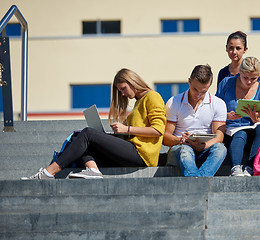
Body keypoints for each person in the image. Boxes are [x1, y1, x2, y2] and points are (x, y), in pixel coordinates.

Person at [22, 68, 166, 180]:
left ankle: (48, 172)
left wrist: (126, 128)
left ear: (133, 81)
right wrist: (117, 134)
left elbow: (158, 130)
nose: (122, 94)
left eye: (123, 88)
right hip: (131, 149)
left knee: (88, 133)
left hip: (142, 155)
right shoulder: (138, 103)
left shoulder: (152, 97)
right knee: (77, 137)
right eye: (120, 90)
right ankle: (93, 170)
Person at [163, 64, 227, 177]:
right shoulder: (174, 102)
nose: (198, 94)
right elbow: (165, 137)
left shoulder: (218, 104)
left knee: (221, 149)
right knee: (186, 151)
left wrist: (203, 146)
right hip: (180, 148)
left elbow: (219, 137)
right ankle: (199, 182)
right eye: (195, 89)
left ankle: (196, 181)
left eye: (203, 91)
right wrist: (181, 140)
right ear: (189, 81)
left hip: (205, 148)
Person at [216, 57, 260, 176]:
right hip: (232, 129)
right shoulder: (226, 83)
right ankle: (236, 167)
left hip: (253, 128)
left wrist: (255, 118)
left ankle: (251, 167)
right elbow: (215, 109)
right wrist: (228, 116)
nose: (249, 82)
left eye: (253, 78)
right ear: (239, 72)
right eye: (245, 77)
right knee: (241, 133)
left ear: (259, 76)